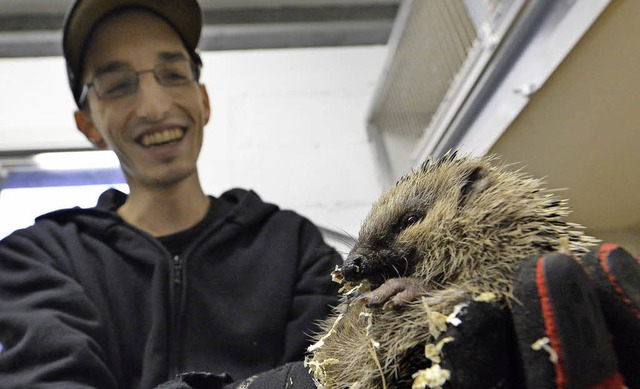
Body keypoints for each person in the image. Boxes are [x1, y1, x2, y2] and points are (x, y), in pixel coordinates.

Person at [0, 0, 342, 387]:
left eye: (173, 74)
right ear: (88, 125)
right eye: (117, 86)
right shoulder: (39, 258)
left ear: (204, 100)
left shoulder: (292, 246)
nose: (155, 107)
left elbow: (340, 373)